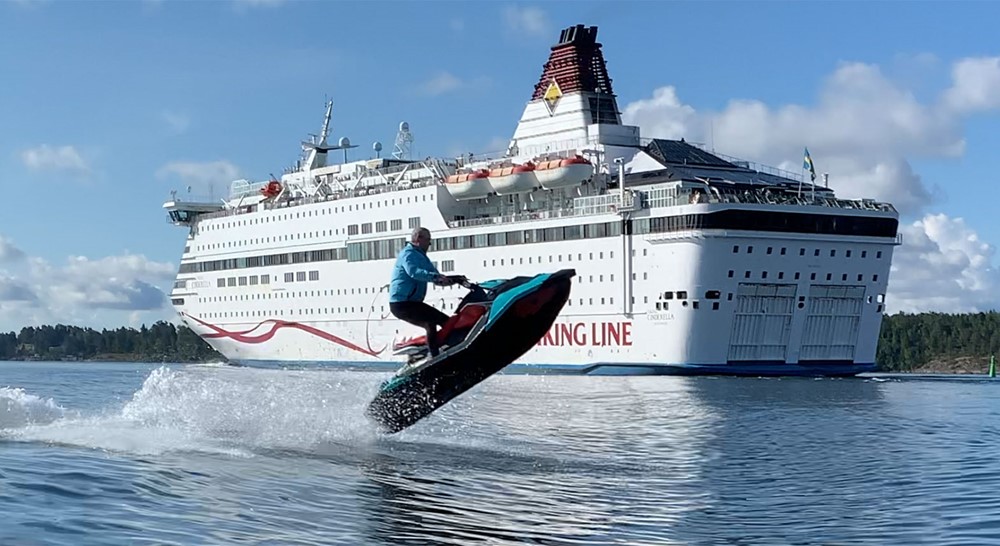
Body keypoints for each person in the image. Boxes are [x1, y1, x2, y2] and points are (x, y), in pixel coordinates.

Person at [389, 227, 463, 357]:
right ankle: (434, 356)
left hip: (413, 303)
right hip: (401, 304)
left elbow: (437, 278)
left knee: (446, 321)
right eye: (428, 240)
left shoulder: (422, 257)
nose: (430, 243)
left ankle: (448, 349)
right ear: (418, 239)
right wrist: (436, 277)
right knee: (429, 323)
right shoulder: (408, 254)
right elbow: (414, 272)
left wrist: (455, 280)